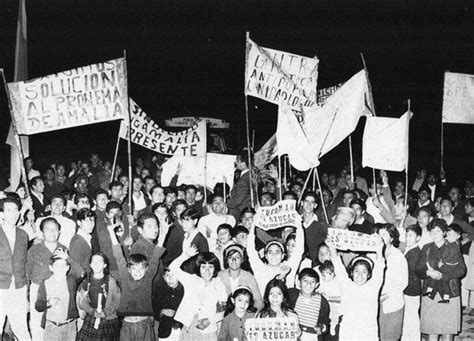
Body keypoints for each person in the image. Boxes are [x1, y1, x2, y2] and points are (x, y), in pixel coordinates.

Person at [26, 217, 84, 341]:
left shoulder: (64, 249)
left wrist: (67, 257)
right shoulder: (34, 250)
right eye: (48, 229)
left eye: (55, 229)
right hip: (39, 290)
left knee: (57, 323)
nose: (52, 232)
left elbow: (75, 272)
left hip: (61, 289)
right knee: (37, 325)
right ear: (42, 232)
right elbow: (27, 273)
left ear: (59, 232)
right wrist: (26, 296)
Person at [415, 218, 466, 340]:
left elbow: (461, 270)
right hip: (430, 293)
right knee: (432, 329)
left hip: (449, 293)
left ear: (444, 232)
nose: (434, 235)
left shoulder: (453, 247)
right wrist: (428, 272)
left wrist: (443, 276)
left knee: (447, 330)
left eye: (438, 231)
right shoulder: (426, 248)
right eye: (432, 232)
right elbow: (418, 269)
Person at [328, 235, 385, 340]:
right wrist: (331, 247)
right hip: (349, 333)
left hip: (368, 334)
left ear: (369, 275)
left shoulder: (373, 287)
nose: (360, 275)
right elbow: (338, 265)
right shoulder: (347, 285)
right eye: (356, 271)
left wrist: (379, 249)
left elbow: (380, 267)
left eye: (364, 272)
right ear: (352, 273)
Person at [169, 247, 228, 340]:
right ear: (198, 267)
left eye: (211, 267)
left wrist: (210, 320)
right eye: (203, 267)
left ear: (215, 268)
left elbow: (225, 311)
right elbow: (172, 268)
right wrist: (185, 255)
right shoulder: (192, 280)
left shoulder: (219, 285)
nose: (207, 271)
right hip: (188, 329)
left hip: (209, 331)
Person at [117, 245, 166, 340]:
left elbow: (156, 257)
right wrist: (111, 231)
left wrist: (163, 234)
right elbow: (119, 256)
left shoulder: (147, 279)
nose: (138, 272)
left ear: (146, 269)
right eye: (134, 268)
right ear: (128, 270)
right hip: (128, 325)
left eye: (141, 268)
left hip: (144, 325)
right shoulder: (125, 278)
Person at [0, 197, 32, 341]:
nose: (13, 214)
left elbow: (23, 263)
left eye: (15, 210)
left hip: (19, 288)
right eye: (8, 210)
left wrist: (26, 290)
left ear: (20, 213)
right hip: (0, 287)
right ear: (1, 214)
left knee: (22, 329)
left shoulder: (23, 235)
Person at [247, 219, 304, 293]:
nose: (274, 255)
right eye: (270, 252)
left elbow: (299, 250)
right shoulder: (260, 269)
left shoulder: (288, 267)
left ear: (283, 255)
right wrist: (253, 225)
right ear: (266, 256)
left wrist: (299, 224)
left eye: (277, 252)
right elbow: (250, 251)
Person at [76, 253, 122, 341]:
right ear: (90, 265)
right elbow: (82, 301)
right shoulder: (87, 282)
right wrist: (91, 311)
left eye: (99, 262)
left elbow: (117, 300)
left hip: (108, 319)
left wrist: (105, 312)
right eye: (94, 262)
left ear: (105, 265)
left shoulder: (111, 282)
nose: (96, 264)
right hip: (92, 318)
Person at [35, 256, 81, 340]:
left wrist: (68, 258)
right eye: (57, 266)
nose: (60, 269)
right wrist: (48, 303)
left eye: (63, 266)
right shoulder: (46, 283)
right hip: (52, 327)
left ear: (67, 268)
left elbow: (82, 273)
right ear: (51, 268)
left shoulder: (71, 281)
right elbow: (38, 306)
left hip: (69, 326)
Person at [377, 223, 408, 341]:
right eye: (378, 234)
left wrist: (386, 294)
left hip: (392, 302)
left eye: (384, 234)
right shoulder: (373, 253)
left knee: (391, 336)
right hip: (376, 302)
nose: (380, 237)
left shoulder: (398, 257)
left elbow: (402, 282)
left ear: (392, 238)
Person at [288, 268, 330, 340]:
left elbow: (325, 320)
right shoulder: (292, 294)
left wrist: (322, 328)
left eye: (312, 281)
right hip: (294, 335)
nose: (309, 284)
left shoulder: (322, 301)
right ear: (298, 283)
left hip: (312, 336)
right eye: (305, 281)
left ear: (317, 285)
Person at [218, 244, 263, 309]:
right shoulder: (220, 276)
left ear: (242, 260)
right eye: (230, 257)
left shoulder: (249, 277)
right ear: (226, 260)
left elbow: (258, 301)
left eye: (237, 257)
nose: (234, 260)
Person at [402, 224, 422, 341]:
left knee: (411, 318)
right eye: (406, 235)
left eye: (410, 235)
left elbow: (412, 273)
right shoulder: (409, 249)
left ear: (418, 238)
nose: (407, 238)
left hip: (411, 289)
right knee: (408, 317)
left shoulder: (415, 253)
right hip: (409, 288)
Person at [151, 268, 184, 341]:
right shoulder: (159, 291)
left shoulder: (185, 291)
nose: (170, 278)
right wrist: (162, 311)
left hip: (182, 330)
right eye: (167, 275)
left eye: (173, 275)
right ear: (163, 277)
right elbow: (153, 310)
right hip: (165, 331)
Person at [301, 191, 328, 266]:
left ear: (315, 205)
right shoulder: (296, 222)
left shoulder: (322, 224)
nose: (309, 205)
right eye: (306, 201)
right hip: (300, 263)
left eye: (312, 202)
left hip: (317, 264)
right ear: (302, 203)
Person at [316, 261, 341, 338]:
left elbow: (341, 299)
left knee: (334, 311)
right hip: (325, 306)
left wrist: (328, 298)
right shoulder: (323, 283)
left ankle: (333, 325)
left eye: (324, 275)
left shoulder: (337, 283)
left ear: (332, 274)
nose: (323, 277)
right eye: (322, 275)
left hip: (336, 305)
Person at [179, 208, 209, 273]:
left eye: (187, 221)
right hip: (185, 270)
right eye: (183, 222)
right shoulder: (185, 235)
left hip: (194, 273)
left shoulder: (200, 239)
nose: (184, 224)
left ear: (195, 221)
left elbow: (204, 260)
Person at [227, 150, 253, 221]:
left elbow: (237, 201)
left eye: (238, 160)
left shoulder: (244, 180)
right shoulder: (251, 175)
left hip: (241, 212)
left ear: (244, 163)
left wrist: (224, 202)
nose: (236, 162)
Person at [69, 208, 96, 273]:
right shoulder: (77, 242)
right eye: (87, 221)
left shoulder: (87, 237)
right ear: (79, 222)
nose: (91, 224)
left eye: (92, 221)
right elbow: (75, 268)